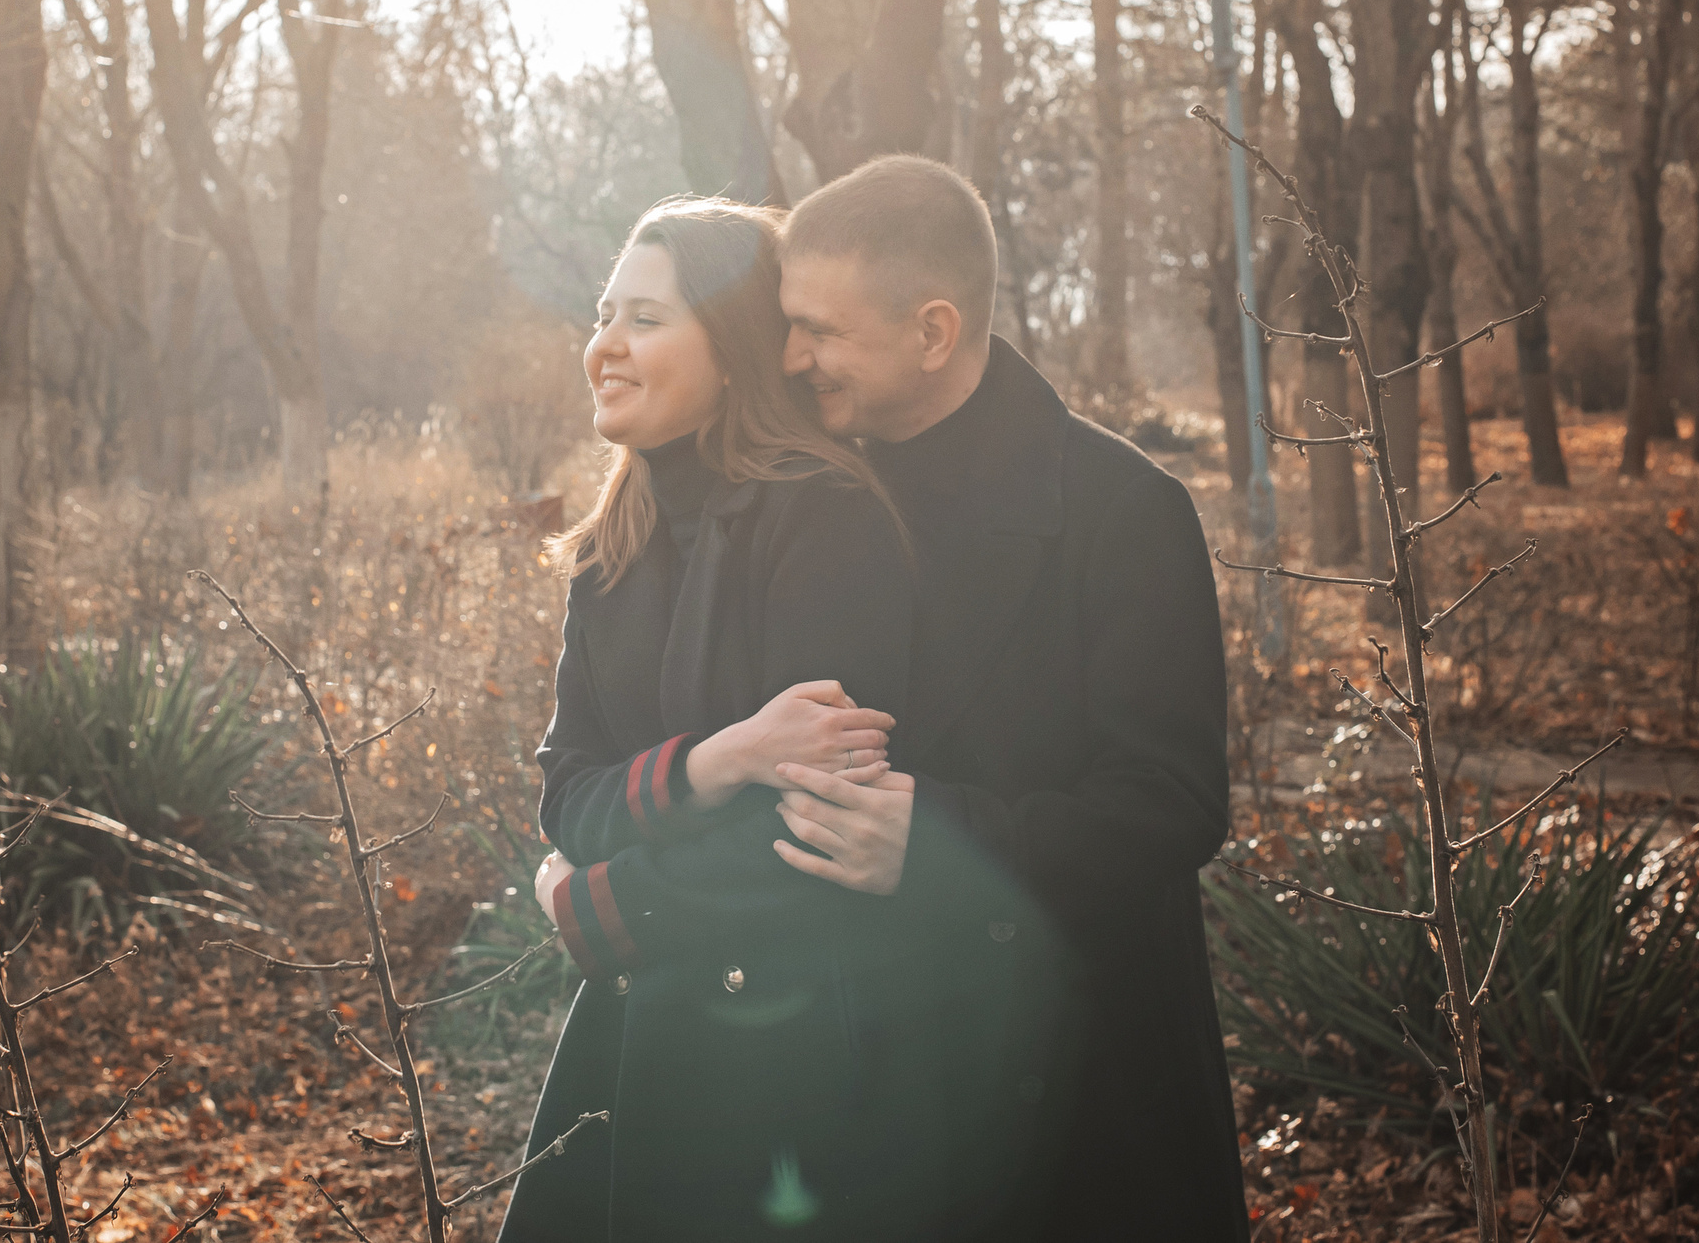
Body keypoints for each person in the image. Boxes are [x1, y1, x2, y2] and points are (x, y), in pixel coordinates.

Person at [760, 153, 1250, 1239]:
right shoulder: (810, 500)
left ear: (932, 332)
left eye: (822, 330)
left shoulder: (1123, 510)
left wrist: (937, 837)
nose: (792, 356)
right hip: (865, 1073)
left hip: (1080, 1074)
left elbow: (1172, 801)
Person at [500, 196, 934, 1243]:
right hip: (638, 1032)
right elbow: (568, 796)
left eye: (646, 318)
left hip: (794, 1052)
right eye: (603, 315)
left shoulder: (825, 520)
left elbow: (812, 833)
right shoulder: (611, 548)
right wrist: (714, 760)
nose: (605, 345)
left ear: (735, 349)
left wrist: (597, 912)